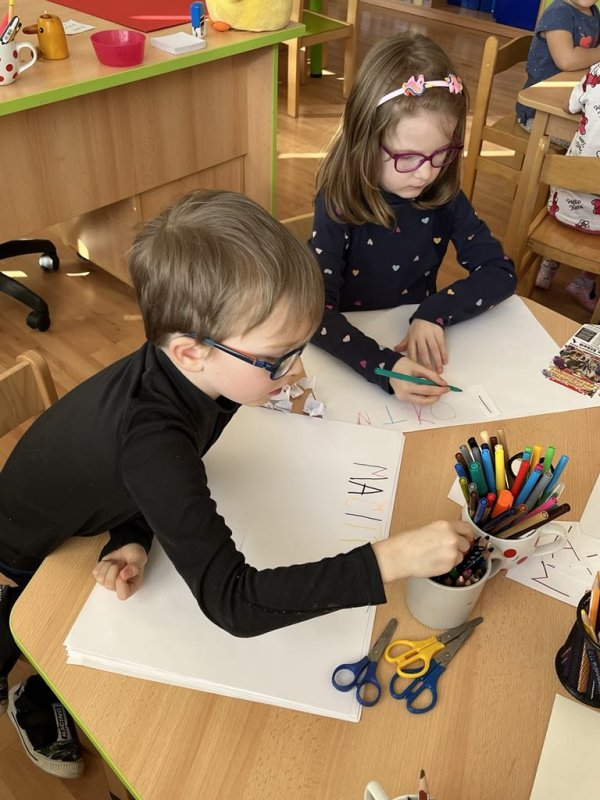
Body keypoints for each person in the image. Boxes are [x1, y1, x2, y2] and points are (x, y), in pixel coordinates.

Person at [0, 190, 473, 777]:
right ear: (190, 352)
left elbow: (133, 477)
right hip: (22, 554)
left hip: (96, 508)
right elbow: (235, 603)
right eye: (277, 359)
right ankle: (27, 693)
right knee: (24, 638)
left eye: (299, 347)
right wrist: (391, 558)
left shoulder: (194, 379)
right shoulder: (153, 440)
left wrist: (133, 534)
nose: (295, 370)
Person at [309, 32, 516, 403]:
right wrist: (385, 367)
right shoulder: (337, 202)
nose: (426, 174)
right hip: (353, 358)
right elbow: (315, 314)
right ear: (364, 141)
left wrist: (434, 311)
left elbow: (500, 271)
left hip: (412, 339)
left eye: (442, 154)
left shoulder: (445, 197)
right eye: (407, 158)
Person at [534, 61, 599, 312]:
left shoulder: (595, 72)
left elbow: (569, 106)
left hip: (562, 203)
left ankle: (546, 268)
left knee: (568, 170)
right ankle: (585, 281)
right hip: (597, 221)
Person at [516, 0, 600, 137]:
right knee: (593, 141)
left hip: (570, 103)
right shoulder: (559, 13)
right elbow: (567, 61)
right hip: (540, 112)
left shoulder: (593, 11)